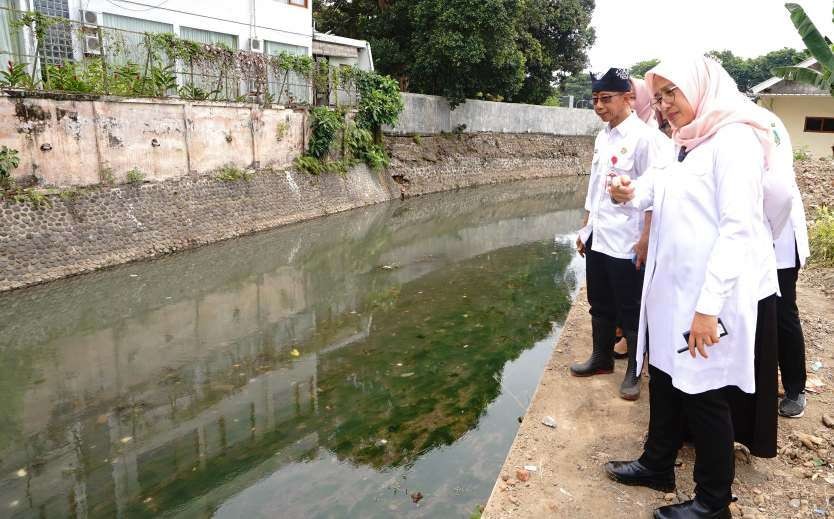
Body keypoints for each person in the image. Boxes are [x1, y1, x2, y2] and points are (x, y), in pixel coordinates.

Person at [604, 55, 791, 519]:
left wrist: (708, 309)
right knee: (666, 378)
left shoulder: (734, 141)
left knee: (704, 392)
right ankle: (657, 464)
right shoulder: (684, 141)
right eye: (660, 95)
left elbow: (738, 230)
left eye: (673, 93)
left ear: (700, 88)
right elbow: (661, 189)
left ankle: (713, 502)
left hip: (711, 296)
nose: (665, 105)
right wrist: (631, 192)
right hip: (672, 290)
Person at [573, 67, 671, 401]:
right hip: (600, 237)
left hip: (627, 241)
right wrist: (586, 227)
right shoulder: (603, 136)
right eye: (595, 100)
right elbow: (594, 187)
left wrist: (646, 237)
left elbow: (655, 194)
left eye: (606, 99)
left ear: (628, 97)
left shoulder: (647, 139)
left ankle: (634, 370)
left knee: (630, 309)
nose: (599, 106)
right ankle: (601, 359)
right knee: (598, 303)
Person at [765, 114, 811, 418]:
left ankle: (796, 387)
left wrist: (766, 230)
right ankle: (765, 381)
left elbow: (779, 188)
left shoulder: (761, 122)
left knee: (782, 313)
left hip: (778, 237)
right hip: (759, 235)